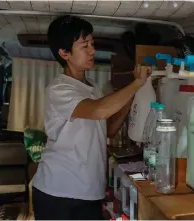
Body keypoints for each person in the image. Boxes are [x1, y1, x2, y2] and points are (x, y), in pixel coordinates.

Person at [32, 15, 151, 220]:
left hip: (89, 191)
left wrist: (132, 97)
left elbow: (109, 129)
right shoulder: (59, 88)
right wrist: (136, 84)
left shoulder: (93, 87)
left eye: (92, 44)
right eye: (84, 45)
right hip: (58, 192)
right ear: (64, 53)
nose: (93, 51)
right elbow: (98, 111)